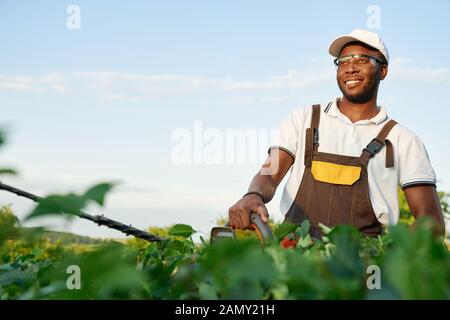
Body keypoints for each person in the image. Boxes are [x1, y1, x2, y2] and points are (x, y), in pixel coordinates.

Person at [228, 29, 445, 238]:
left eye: (362, 60)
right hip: (294, 257)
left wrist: (387, 259)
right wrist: (253, 195)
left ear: (383, 71)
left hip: (364, 265)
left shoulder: (403, 140)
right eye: (343, 61)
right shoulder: (303, 119)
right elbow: (270, 172)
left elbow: (431, 221)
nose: (350, 68)